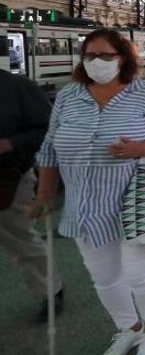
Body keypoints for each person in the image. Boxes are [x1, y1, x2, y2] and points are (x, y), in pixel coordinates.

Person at [28, 28, 145, 355]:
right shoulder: (69, 95)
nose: (97, 61)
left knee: (140, 273)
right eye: (91, 55)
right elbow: (51, 148)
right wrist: (44, 194)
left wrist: (142, 147)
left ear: (123, 57)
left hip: (137, 200)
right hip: (84, 205)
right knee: (105, 277)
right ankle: (130, 328)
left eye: (106, 56)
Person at [0, 69, 63, 322]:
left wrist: (10, 144)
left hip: (9, 178)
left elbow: (47, 129)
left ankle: (51, 291)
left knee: (20, 239)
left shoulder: (15, 86)